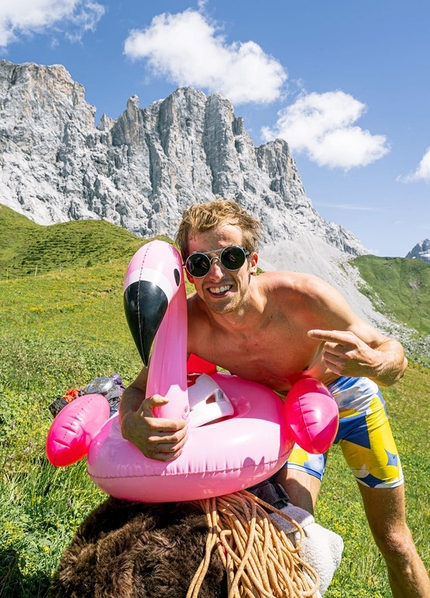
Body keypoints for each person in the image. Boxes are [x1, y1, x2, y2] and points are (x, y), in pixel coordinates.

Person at [120, 199, 430, 597]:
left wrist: (373, 364)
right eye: (199, 264)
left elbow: (392, 354)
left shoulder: (302, 297)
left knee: (396, 542)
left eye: (229, 257)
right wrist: (130, 424)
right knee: (293, 533)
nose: (216, 274)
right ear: (189, 275)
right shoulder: (189, 326)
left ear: (252, 261)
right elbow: (135, 390)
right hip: (283, 414)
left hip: (349, 396)